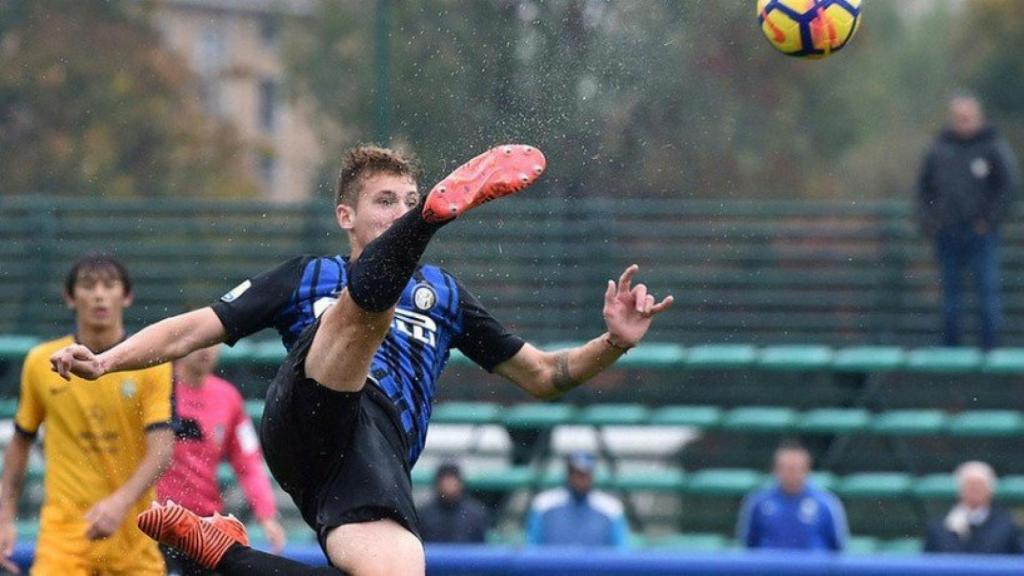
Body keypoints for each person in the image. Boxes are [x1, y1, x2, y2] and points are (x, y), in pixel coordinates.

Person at [49, 144, 673, 575]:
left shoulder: (447, 297)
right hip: (312, 407)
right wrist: (109, 361)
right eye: (386, 201)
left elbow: (546, 376)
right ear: (346, 216)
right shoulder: (307, 275)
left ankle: (221, 554)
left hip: (369, 462)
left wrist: (614, 341)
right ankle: (433, 224)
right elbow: (195, 327)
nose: (395, 210)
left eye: (408, 202)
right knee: (358, 315)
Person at [0, 254, 174, 575]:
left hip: (133, 539)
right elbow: (20, 442)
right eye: (87, 285)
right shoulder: (41, 362)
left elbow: (162, 449)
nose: (98, 294)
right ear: (70, 297)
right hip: (63, 540)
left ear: (127, 296)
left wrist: (120, 503)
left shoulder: (152, 364)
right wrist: (5, 517)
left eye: (109, 285)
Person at [158, 344, 287, 575]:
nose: (205, 350)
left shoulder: (228, 397)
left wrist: (267, 515)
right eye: (198, 343)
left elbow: (248, 462)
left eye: (212, 342)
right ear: (182, 344)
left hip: (203, 524)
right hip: (155, 519)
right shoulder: (155, 390)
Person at [917, 93, 1020, 350]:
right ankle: (951, 349)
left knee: (987, 292)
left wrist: (989, 220)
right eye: (958, 118)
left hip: (981, 233)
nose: (963, 123)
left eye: (967, 118)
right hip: (947, 232)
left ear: (978, 118)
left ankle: (990, 348)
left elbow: (1008, 187)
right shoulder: (939, 149)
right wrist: (930, 222)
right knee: (951, 296)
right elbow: (923, 189)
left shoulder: (993, 147)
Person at [737, 441, 848, 552]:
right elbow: (748, 543)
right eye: (785, 468)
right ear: (775, 470)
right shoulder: (758, 502)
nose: (790, 474)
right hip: (770, 568)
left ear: (807, 470)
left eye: (795, 468)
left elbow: (837, 546)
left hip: (810, 568)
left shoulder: (826, 503)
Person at [525, 452, 629, 548]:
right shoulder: (544, 504)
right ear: (569, 474)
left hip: (597, 568)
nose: (581, 480)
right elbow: (532, 548)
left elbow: (620, 551)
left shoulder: (610, 507)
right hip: (553, 568)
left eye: (585, 475)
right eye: (577, 474)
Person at [924, 461, 1024, 555]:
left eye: (979, 486)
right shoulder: (939, 527)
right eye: (970, 486)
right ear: (960, 490)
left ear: (990, 490)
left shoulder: (1008, 526)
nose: (974, 490)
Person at [417, 461, 488, 544]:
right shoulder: (423, 514)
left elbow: (481, 548)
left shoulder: (475, 515)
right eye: (445, 480)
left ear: (460, 483)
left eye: (452, 480)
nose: (449, 485)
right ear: (438, 483)